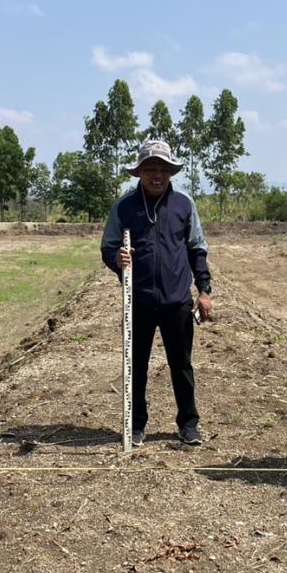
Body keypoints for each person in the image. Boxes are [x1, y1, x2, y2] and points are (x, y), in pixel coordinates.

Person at [101, 139, 213, 446]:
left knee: (182, 364)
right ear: (139, 172)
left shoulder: (184, 205)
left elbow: (197, 249)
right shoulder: (124, 207)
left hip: (177, 301)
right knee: (136, 364)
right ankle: (136, 425)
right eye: (150, 168)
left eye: (163, 169)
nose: (157, 175)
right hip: (138, 300)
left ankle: (188, 423)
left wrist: (204, 290)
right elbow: (109, 246)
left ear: (171, 172)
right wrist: (117, 260)